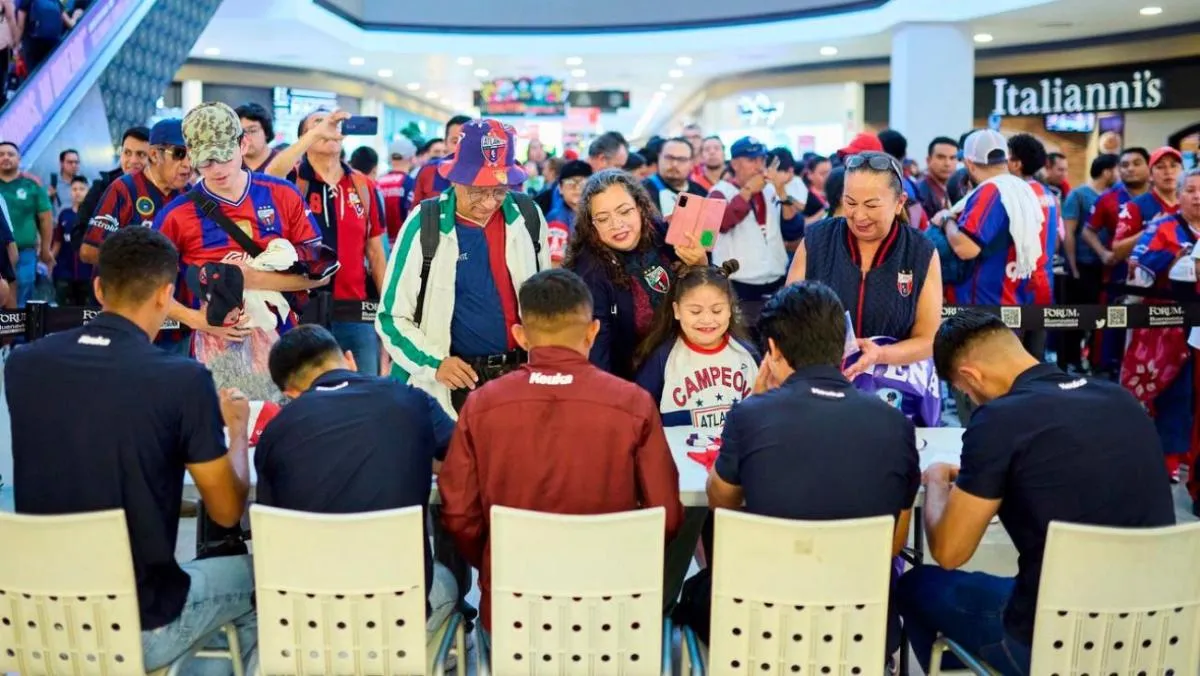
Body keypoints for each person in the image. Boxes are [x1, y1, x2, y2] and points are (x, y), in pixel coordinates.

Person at [6, 227, 257, 673]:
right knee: (263, 581)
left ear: (99, 288)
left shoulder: (25, 364)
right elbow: (224, 510)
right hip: (136, 626)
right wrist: (236, 431)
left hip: (34, 619)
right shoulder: (181, 380)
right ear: (165, 295)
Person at [901, 309, 1176, 675]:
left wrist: (936, 479)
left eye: (964, 393)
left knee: (916, 585)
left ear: (970, 375)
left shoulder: (999, 421)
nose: (971, 400)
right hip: (1157, 634)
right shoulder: (1121, 400)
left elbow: (950, 552)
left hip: (1054, 643)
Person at [437, 268, 685, 633]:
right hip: (611, 610)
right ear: (592, 331)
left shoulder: (480, 405)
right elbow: (666, 515)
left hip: (514, 609)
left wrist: (495, 560)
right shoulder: (633, 403)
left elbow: (458, 512)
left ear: (521, 336)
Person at [700, 281, 918, 653]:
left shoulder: (751, 414)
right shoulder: (896, 424)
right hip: (861, 630)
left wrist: (755, 401)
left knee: (693, 595)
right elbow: (894, 542)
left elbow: (722, 504)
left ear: (772, 350)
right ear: (841, 345)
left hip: (764, 626)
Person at [252, 324, 457, 641]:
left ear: (289, 394)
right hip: (397, 615)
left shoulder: (278, 430)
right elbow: (463, 461)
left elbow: (274, 524)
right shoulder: (411, 400)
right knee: (448, 581)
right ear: (350, 359)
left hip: (308, 623)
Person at [375, 118, 548, 417]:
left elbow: (546, 302)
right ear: (455, 178)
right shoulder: (425, 223)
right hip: (451, 383)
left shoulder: (527, 216)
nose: (488, 202)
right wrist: (435, 364)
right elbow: (391, 318)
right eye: (477, 191)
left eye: (499, 190)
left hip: (518, 380)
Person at [154, 102, 334, 368]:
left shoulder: (282, 194)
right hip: (214, 354)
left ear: (243, 145)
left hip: (286, 348)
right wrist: (196, 319)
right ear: (191, 155)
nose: (217, 169)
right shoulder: (176, 215)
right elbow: (150, 287)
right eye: (206, 160)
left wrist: (249, 278)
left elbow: (322, 274)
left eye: (225, 156)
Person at [788, 151, 942, 381]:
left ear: (899, 203)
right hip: (822, 383)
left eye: (871, 205)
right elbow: (787, 314)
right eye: (850, 202)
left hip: (893, 391)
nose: (859, 215)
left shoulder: (920, 251)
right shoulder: (817, 240)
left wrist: (881, 354)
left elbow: (928, 339)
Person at [563, 169, 707, 380]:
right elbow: (597, 355)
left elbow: (710, 300)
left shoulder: (661, 233)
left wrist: (700, 265)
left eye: (624, 211)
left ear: (640, 208)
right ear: (591, 225)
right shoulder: (588, 272)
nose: (616, 224)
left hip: (693, 366)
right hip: (633, 382)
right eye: (603, 218)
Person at [280, 109, 387, 375]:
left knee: (364, 392)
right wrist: (318, 131)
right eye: (318, 123)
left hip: (356, 312)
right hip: (304, 309)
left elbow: (376, 254)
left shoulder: (364, 186)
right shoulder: (292, 181)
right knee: (308, 393)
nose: (329, 126)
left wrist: (390, 315)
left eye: (333, 122)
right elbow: (266, 175)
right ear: (305, 137)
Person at [1122, 167, 1200, 483]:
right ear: (1178, 196)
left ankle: (1189, 456)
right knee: (1173, 393)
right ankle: (1168, 457)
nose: (1197, 197)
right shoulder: (1162, 226)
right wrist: (1172, 257)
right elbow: (1136, 267)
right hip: (1165, 326)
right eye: (1191, 190)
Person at [635, 261, 758, 430]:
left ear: (730, 309)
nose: (707, 320)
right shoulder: (664, 357)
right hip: (677, 454)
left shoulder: (747, 354)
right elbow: (639, 412)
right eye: (695, 311)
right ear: (677, 310)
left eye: (717, 311)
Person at [932, 130, 1045, 308]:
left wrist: (946, 220)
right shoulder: (1022, 188)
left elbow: (966, 247)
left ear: (969, 163)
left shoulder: (991, 191)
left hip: (982, 304)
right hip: (1012, 297)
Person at [80, 118, 192, 265]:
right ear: (154, 155)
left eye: (193, 155)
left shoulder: (190, 193)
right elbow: (89, 251)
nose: (188, 164)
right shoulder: (123, 189)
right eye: (179, 154)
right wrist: (145, 265)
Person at [708, 137, 798, 315]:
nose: (759, 166)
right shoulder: (719, 191)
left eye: (762, 160)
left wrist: (781, 191)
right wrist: (747, 192)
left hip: (776, 278)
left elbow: (793, 229)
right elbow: (721, 224)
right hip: (739, 284)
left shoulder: (770, 189)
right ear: (734, 164)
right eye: (751, 160)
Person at [1058, 153, 1118, 373]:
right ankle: (1071, 360)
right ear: (1107, 171)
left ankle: (1095, 359)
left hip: (1106, 266)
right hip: (1082, 265)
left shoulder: (1113, 196)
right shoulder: (1079, 195)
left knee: (1099, 317)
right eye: (1118, 169)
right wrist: (1072, 265)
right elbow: (1069, 232)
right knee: (1076, 316)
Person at [75, 126, 150, 243]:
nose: (133, 160)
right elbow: (79, 233)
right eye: (127, 153)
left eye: (141, 154)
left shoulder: (162, 192)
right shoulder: (102, 187)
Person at [0, 140, 53, 306]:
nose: (5, 157)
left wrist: (45, 249)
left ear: (19, 159)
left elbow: (45, 218)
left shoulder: (32, 185)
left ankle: (20, 333)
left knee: (23, 298)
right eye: (1, 154)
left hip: (26, 253)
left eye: (10, 154)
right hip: (0, 253)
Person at [1111, 146, 1183, 263]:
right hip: (1147, 278)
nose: (1168, 172)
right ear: (1150, 176)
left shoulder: (1191, 204)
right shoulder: (1135, 206)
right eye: (1160, 167)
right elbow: (1118, 252)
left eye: (1173, 166)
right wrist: (1151, 230)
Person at [408, 115, 472, 206]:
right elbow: (414, 210)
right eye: (455, 141)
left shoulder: (486, 175)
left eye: (467, 142)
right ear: (445, 143)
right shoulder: (428, 171)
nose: (460, 147)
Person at [642, 136, 708, 219]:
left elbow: (708, 230)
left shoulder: (701, 193)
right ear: (659, 158)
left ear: (691, 163)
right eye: (669, 158)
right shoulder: (642, 191)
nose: (674, 164)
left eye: (682, 159)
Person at [51, 174, 92, 305]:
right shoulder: (64, 214)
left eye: (81, 189)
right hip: (64, 269)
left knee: (84, 309)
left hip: (87, 271)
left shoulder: (95, 215)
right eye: (74, 189)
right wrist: (50, 260)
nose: (78, 192)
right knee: (62, 308)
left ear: (88, 191)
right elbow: (57, 241)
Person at [543, 159, 591, 266]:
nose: (577, 188)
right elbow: (555, 265)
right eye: (571, 184)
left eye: (583, 183)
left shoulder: (593, 212)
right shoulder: (557, 218)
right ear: (560, 188)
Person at [376, 136, 418, 242]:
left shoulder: (377, 183)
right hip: (403, 244)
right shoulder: (412, 184)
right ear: (412, 158)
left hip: (381, 245)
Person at [917, 137, 959, 219]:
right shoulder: (919, 191)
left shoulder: (957, 188)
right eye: (941, 157)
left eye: (952, 158)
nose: (947, 163)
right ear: (928, 160)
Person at [235, 103, 278, 173]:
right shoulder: (231, 166)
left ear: (266, 132)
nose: (245, 138)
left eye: (252, 131)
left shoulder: (283, 162)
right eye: (240, 132)